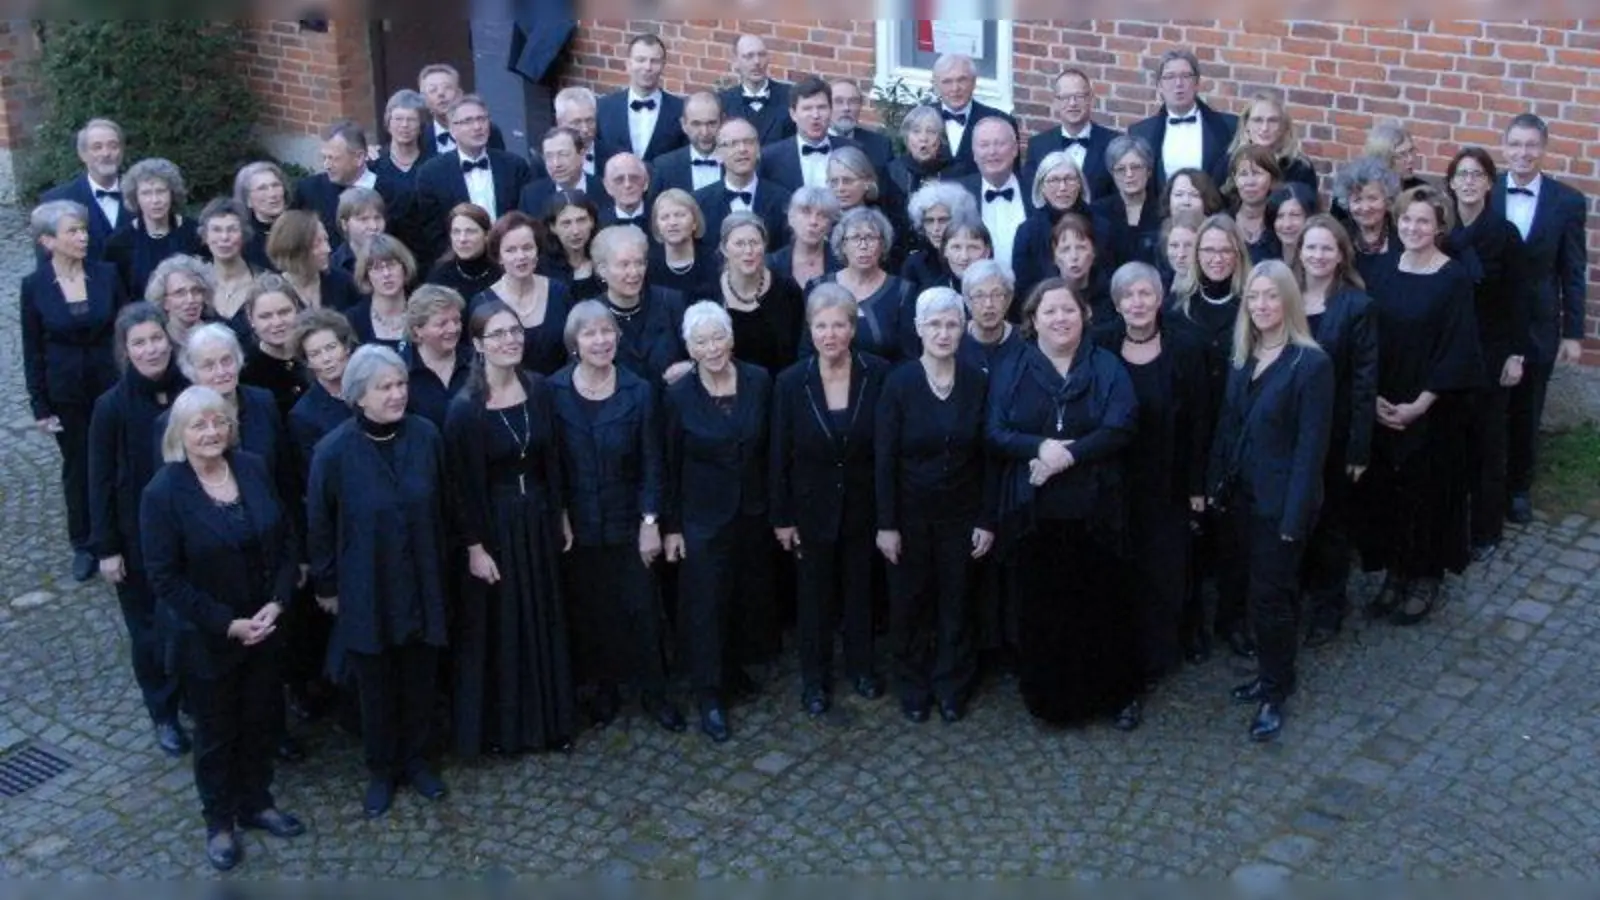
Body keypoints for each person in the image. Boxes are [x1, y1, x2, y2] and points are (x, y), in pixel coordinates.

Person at [140, 386, 304, 871]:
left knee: (260, 720)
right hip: (208, 638)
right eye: (198, 425)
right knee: (215, 734)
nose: (211, 432)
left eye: (218, 422)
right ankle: (220, 821)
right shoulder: (163, 493)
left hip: (265, 625)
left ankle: (257, 800)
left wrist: (277, 601)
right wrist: (226, 624)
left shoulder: (251, 466)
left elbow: (285, 536)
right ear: (180, 434)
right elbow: (165, 578)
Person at [306, 345, 451, 818]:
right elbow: (320, 524)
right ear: (358, 398)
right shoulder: (332, 452)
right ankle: (382, 767)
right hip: (367, 583)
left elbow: (447, 506)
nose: (397, 395)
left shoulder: (426, 436)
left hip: (423, 576)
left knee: (419, 674)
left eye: (400, 385)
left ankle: (417, 758)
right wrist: (327, 585)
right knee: (375, 681)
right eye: (384, 388)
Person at [987, 277, 1138, 727]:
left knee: (1100, 606)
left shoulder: (1106, 366)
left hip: (1095, 508)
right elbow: (994, 431)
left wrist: (1067, 455)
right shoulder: (1012, 368)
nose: (1060, 318)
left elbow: (1121, 424)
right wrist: (1039, 448)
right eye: (1049, 311)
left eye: (1068, 310)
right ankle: (1053, 703)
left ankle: (1114, 697)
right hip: (1035, 512)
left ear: (1085, 315)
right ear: (1032, 320)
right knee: (1044, 611)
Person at [1208, 260, 1334, 742]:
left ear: (1289, 301)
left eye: (1271, 296)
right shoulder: (1245, 353)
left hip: (1280, 506)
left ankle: (1276, 690)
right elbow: (1227, 426)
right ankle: (1267, 673)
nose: (1261, 306)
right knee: (1253, 594)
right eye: (1253, 297)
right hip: (1241, 498)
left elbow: (1310, 449)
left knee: (1272, 599)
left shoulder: (1312, 364)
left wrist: (1294, 518)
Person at [444, 300, 576, 758]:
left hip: (537, 515)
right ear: (478, 345)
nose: (510, 341)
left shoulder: (538, 389)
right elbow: (459, 488)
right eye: (498, 334)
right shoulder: (465, 409)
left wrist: (559, 513)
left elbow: (551, 458)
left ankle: (553, 720)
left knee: (544, 613)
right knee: (504, 623)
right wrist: (475, 547)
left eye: (515, 331)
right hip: (495, 523)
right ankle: (508, 728)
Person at [547, 301, 684, 733]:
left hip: (629, 520)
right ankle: (604, 690)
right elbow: (552, 466)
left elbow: (652, 462)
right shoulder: (552, 392)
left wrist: (650, 522)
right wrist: (561, 515)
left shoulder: (638, 390)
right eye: (590, 334)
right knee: (593, 609)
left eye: (607, 331)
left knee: (642, 608)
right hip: (581, 523)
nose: (601, 340)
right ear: (574, 343)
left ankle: (654, 691)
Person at [1354, 186, 1484, 625]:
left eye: (1423, 221)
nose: (1413, 228)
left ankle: (1425, 575)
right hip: (1384, 398)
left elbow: (1458, 348)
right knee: (1389, 493)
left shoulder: (1454, 278)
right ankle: (1394, 571)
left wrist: (1420, 405)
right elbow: (1367, 338)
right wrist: (1372, 396)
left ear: (1440, 227)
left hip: (1432, 407)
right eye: (1407, 220)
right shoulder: (1383, 270)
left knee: (1428, 493)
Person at [1093, 262, 1211, 729]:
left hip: (1169, 481)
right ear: (1117, 303)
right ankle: (1129, 663)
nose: (1137, 304)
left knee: (1165, 570)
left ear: (1159, 299)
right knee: (1122, 573)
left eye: (1145, 294)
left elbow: (1202, 419)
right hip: (1113, 486)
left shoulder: (1186, 345)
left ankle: (1162, 651)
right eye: (1128, 296)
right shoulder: (1101, 343)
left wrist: (1199, 486)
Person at [770, 283, 890, 716]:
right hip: (809, 508)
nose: (830, 334)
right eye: (821, 325)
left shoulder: (878, 373)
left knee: (861, 591)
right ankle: (815, 680)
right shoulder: (789, 382)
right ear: (810, 329)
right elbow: (778, 453)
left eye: (839, 324)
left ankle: (861, 668)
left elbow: (886, 446)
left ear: (852, 328)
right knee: (814, 597)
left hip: (863, 504)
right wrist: (781, 516)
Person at [660, 301, 777, 742]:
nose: (711, 348)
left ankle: (731, 671)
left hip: (750, 510)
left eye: (718, 337)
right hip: (700, 517)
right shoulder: (676, 395)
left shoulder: (758, 380)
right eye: (701, 341)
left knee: (743, 596)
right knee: (704, 603)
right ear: (688, 348)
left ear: (731, 338)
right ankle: (708, 694)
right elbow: (668, 463)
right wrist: (670, 525)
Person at [875, 287, 993, 724]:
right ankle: (913, 684)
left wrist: (986, 518)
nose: (944, 333)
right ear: (918, 329)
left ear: (963, 330)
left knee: (957, 599)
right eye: (935, 325)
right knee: (910, 601)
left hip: (961, 512)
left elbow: (986, 456)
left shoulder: (977, 380)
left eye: (951, 324)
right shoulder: (899, 382)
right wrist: (886, 523)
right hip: (908, 514)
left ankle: (951, 685)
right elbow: (884, 456)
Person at [89, 302, 190, 755]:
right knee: (149, 631)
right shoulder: (109, 407)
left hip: (190, 530)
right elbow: (100, 480)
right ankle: (163, 713)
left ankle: (195, 699)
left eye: (156, 339)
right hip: (136, 537)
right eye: (140, 343)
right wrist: (107, 548)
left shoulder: (189, 389)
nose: (151, 350)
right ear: (125, 351)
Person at [22, 199, 127, 582]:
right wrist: (40, 405)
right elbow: (32, 349)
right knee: (78, 468)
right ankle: (85, 542)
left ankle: (120, 532)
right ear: (48, 241)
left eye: (83, 230)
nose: (83, 237)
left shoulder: (107, 274)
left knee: (118, 459)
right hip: (66, 393)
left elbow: (125, 330)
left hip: (110, 387)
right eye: (73, 232)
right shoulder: (33, 286)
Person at [1495, 113, 1589, 526]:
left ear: (1544, 149)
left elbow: (1573, 270)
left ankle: (1518, 487)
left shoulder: (1567, 202)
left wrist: (1572, 332)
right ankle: (1481, 484)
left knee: (1527, 409)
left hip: (1538, 323)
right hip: (1490, 321)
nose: (1523, 153)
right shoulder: (1485, 191)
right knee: (1486, 406)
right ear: (1504, 146)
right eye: (1515, 144)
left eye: (1531, 145)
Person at [1294, 215, 1378, 646]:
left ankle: (1329, 605)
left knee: (1330, 524)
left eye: (1328, 248)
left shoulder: (1356, 306)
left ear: (1342, 254)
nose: (1318, 255)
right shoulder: (1284, 296)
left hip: (1334, 433)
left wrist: (1358, 449)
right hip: (1288, 434)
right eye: (1311, 247)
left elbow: (1365, 381)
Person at [1447, 147, 1529, 557]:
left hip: (1492, 350)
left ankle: (1486, 528)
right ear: (1450, 182)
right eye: (1461, 174)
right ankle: (1451, 524)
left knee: (1488, 442)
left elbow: (1520, 298)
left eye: (1477, 174)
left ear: (1490, 184)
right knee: (1453, 441)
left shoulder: (1504, 234)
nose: (1468, 181)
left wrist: (1516, 354)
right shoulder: (1440, 231)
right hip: (1449, 351)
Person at [414, 94, 533, 257]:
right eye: (468, 121)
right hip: (458, 261)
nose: (477, 126)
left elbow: (524, 217)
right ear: (452, 129)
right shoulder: (431, 173)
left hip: (510, 258)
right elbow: (432, 231)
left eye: (482, 119)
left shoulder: (515, 166)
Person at [805, 207, 916, 362]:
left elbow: (908, 355)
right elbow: (806, 350)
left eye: (871, 238)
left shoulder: (902, 291)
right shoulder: (818, 287)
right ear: (843, 245)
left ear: (883, 244)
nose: (863, 246)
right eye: (856, 238)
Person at [473, 210, 573, 376]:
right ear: (499, 257)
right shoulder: (483, 302)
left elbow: (574, 347)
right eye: (510, 250)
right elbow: (482, 363)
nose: (521, 256)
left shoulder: (559, 292)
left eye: (527, 248)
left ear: (537, 251)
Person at [292, 119, 412, 254]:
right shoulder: (309, 190)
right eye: (324, 157)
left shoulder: (395, 194)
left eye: (333, 158)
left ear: (359, 158)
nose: (326, 165)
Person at [591, 224, 689, 382]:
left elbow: (700, 353)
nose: (634, 272)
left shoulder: (671, 302)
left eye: (639, 263)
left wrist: (689, 366)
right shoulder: (591, 314)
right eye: (624, 265)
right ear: (602, 270)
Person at [1128, 49, 1239, 187]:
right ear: (1159, 86)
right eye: (1170, 77)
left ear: (1197, 83)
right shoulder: (1140, 133)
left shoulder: (1229, 126)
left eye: (1186, 76)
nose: (1178, 83)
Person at [717, 212, 805, 377]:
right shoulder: (709, 294)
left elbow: (799, 349)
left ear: (764, 246)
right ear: (724, 248)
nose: (748, 251)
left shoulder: (787, 290)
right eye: (739, 244)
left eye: (754, 243)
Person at [105, 157, 202, 298]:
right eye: (146, 193)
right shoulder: (119, 243)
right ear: (135, 197)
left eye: (161, 191)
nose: (155, 200)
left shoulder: (194, 233)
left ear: (172, 193)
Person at [695, 117, 793, 253]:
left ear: (758, 149)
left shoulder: (783, 200)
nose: (742, 149)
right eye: (733, 143)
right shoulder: (699, 203)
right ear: (718, 154)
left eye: (748, 142)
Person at [1025, 67, 1120, 202]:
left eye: (1079, 96)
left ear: (1091, 99)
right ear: (1056, 102)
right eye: (1065, 97)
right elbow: (1033, 198)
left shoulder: (1113, 143)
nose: (1072, 103)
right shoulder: (1038, 146)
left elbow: (1118, 199)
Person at [40, 118, 126, 261]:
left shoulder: (143, 195)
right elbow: (47, 266)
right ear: (82, 154)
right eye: (97, 147)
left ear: (121, 151)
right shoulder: (55, 201)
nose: (106, 153)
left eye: (113, 146)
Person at [1012, 151, 1093, 301]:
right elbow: (1022, 288)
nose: (1062, 187)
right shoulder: (1028, 232)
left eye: (1069, 179)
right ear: (1041, 187)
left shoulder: (1099, 225)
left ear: (1080, 184)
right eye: (1054, 180)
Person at [287, 309, 359, 478]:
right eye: (315, 354)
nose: (326, 358)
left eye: (331, 347)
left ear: (346, 347)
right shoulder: (303, 415)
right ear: (308, 362)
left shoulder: (371, 387)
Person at [595, 33, 686, 162]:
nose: (647, 67)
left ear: (663, 66)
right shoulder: (603, 108)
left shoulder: (680, 110)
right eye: (640, 60)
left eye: (654, 61)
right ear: (628, 63)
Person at [957, 117, 1031, 266]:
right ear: (974, 153)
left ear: (1015, 149)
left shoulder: (1035, 191)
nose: (992, 151)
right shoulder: (959, 193)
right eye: (984, 145)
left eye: (1000, 144)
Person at [828, 145, 913, 270]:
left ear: (867, 182)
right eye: (834, 182)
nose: (840, 188)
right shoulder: (823, 223)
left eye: (847, 181)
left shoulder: (888, 224)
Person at [238, 274, 309, 420]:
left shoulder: (314, 355)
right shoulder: (245, 371)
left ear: (296, 308)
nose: (277, 322)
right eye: (265, 316)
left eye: (284, 312)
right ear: (251, 319)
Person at [927, 53, 1015, 168]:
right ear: (936, 86)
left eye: (962, 80)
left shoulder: (1000, 121)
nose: (955, 88)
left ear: (974, 82)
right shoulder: (922, 118)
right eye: (947, 82)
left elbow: (1010, 173)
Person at [266, 210, 364, 313]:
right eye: (317, 244)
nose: (327, 249)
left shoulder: (343, 283)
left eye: (326, 240)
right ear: (294, 249)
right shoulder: (272, 292)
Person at [403, 285, 470, 431]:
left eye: (456, 320)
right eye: (442, 323)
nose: (453, 329)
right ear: (418, 330)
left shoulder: (476, 362)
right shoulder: (402, 371)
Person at [758, 76, 841, 192]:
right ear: (793, 114)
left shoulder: (851, 149)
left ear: (831, 111)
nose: (816, 115)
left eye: (822, 107)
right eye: (807, 108)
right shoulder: (770, 158)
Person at [1093, 134, 1162, 268]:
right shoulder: (1097, 212)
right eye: (1120, 169)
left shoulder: (1163, 211)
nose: (1129, 174)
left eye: (1135, 167)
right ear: (1112, 174)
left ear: (1148, 171)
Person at [902, 181, 979, 298]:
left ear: (959, 219)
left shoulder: (974, 258)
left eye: (943, 220)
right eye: (929, 221)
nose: (936, 228)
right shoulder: (914, 265)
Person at [1228, 92, 1318, 192]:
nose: (1265, 128)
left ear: (1283, 126)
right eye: (1257, 120)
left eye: (1273, 120)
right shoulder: (1229, 162)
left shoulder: (1300, 168)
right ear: (1246, 125)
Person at [199, 198, 265, 331]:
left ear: (244, 235)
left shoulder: (263, 282)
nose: (224, 237)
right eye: (216, 230)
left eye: (232, 229)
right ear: (206, 236)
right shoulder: (195, 284)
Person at [1332, 155, 1403, 277]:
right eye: (1357, 200)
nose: (1365, 208)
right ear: (1347, 203)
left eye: (1372, 198)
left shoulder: (1402, 235)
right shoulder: (1338, 235)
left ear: (1387, 199)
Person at [417, 62, 508, 157]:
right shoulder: (420, 137)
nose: (441, 93)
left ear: (460, 94)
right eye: (433, 90)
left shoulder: (487, 130)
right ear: (423, 100)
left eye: (447, 87)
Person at [347, 235, 419, 351]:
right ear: (366, 276)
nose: (386, 274)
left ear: (404, 267)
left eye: (391, 265)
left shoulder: (422, 313)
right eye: (377, 268)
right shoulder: (353, 320)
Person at [719, 34, 794, 145]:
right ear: (735, 62)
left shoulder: (790, 96)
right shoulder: (723, 102)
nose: (757, 62)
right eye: (749, 56)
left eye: (761, 55)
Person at [648, 188, 718, 300]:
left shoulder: (714, 261)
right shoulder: (649, 267)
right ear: (657, 226)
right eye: (665, 217)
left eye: (680, 215)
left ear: (695, 222)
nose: (672, 223)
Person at [650, 92, 725, 195]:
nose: (705, 132)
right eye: (696, 124)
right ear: (683, 125)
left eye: (711, 123)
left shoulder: (736, 162)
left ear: (723, 122)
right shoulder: (664, 167)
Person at [523, 126, 604, 219]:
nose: (556, 164)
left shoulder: (605, 189)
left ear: (582, 155)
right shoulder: (531, 195)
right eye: (549, 156)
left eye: (563, 154)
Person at [769, 186, 842, 288]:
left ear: (830, 225)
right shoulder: (772, 263)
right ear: (791, 218)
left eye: (822, 215)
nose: (813, 221)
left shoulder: (842, 262)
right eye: (806, 212)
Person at [958, 259, 1022, 374]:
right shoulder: (955, 339)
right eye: (979, 295)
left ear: (1008, 299)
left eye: (997, 294)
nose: (988, 304)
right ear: (967, 301)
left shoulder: (1025, 340)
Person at [425, 203, 501, 299]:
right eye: (456, 232)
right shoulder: (439, 276)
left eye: (470, 231)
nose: (462, 239)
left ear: (487, 235)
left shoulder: (502, 271)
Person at [539, 190, 604, 301]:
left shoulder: (605, 258)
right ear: (552, 227)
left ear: (592, 222)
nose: (575, 231)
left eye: (581, 220)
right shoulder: (542, 268)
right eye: (566, 223)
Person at [1224, 145, 1284, 262]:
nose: (1250, 182)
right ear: (1235, 180)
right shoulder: (1224, 221)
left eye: (1257, 173)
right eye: (1243, 174)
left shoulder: (1281, 221)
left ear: (1272, 179)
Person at [1052, 212, 1114, 324]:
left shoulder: (1111, 297)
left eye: (1081, 248)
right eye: (1065, 250)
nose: (1074, 256)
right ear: (1055, 257)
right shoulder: (1045, 300)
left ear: (1093, 252)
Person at [888, 106, 958, 201]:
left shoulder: (954, 172)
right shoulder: (892, 171)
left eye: (931, 132)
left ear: (940, 139)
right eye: (916, 131)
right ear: (907, 138)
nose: (923, 138)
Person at [145, 255, 215, 349]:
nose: (190, 300)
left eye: (196, 291)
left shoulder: (217, 337)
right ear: (164, 301)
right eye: (180, 293)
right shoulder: (156, 344)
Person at [828, 80, 896, 176]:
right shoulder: (815, 143)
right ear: (826, 106)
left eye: (853, 101)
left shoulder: (880, 145)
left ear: (860, 106)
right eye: (838, 101)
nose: (846, 108)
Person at [234, 161, 290, 270]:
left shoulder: (301, 227)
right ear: (248, 200)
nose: (273, 194)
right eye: (262, 188)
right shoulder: (243, 240)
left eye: (276, 185)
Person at [373, 89, 429, 185]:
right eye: (398, 119)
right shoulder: (374, 162)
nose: (404, 125)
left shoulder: (433, 163)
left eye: (411, 119)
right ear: (388, 123)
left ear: (421, 125)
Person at [327, 187, 388, 274]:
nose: (373, 226)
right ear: (344, 224)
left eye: (377, 218)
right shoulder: (334, 267)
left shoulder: (398, 257)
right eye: (363, 219)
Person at [552, 86, 607, 178]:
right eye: (576, 122)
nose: (585, 129)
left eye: (590, 120)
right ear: (560, 123)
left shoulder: (615, 156)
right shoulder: (545, 160)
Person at [1363, 122, 1429, 192]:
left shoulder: (1421, 190)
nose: (1411, 159)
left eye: (1411, 151)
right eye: (1402, 154)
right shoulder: (1363, 190)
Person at [1266, 182, 1318, 268]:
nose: (1287, 224)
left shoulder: (1317, 262)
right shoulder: (1264, 258)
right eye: (1280, 216)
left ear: (1309, 217)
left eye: (1295, 215)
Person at [597, 152, 653, 229]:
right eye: (619, 180)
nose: (627, 185)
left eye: (634, 178)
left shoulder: (659, 219)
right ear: (607, 186)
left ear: (646, 181)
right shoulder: (598, 225)